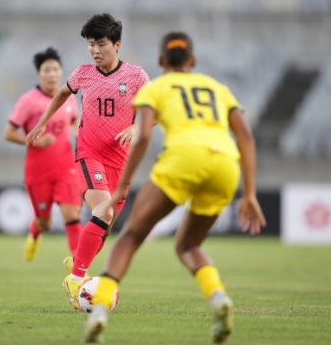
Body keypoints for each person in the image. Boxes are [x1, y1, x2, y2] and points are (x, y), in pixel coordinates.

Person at [82, 32, 267, 344]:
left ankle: (99, 312)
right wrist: (249, 193)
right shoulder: (216, 87)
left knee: (130, 236)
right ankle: (218, 297)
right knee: (188, 246)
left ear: (160, 61)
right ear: (192, 61)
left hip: (182, 160)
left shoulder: (156, 87)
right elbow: (246, 136)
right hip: (224, 165)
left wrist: (119, 187)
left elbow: (140, 137)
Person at [26, 13, 150, 309]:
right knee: (103, 212)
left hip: (121, 161)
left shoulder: (136, 76)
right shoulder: (83, 73)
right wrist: (43, 121)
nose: (95, 50)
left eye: (101, 44)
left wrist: (135, 127)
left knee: (104, 227)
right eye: (91, 44)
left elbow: (153, 111)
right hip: (88, 155)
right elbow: (60, 95)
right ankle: (76, 277)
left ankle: (77, 262)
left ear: (117, 45)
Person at [4, 47, 83, 261]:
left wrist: (77, 132)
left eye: (56, 69)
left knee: (72, 215)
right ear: (39, 74)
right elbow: (9, 133)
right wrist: (34, 141)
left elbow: (74, 120)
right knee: (44, 222)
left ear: (61, 72)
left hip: (66, 167)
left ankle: (79, 269)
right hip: (39, 171)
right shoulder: (28, 100)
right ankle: (34, 233)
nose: (52, 74)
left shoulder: (68, 97)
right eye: (46, 70)